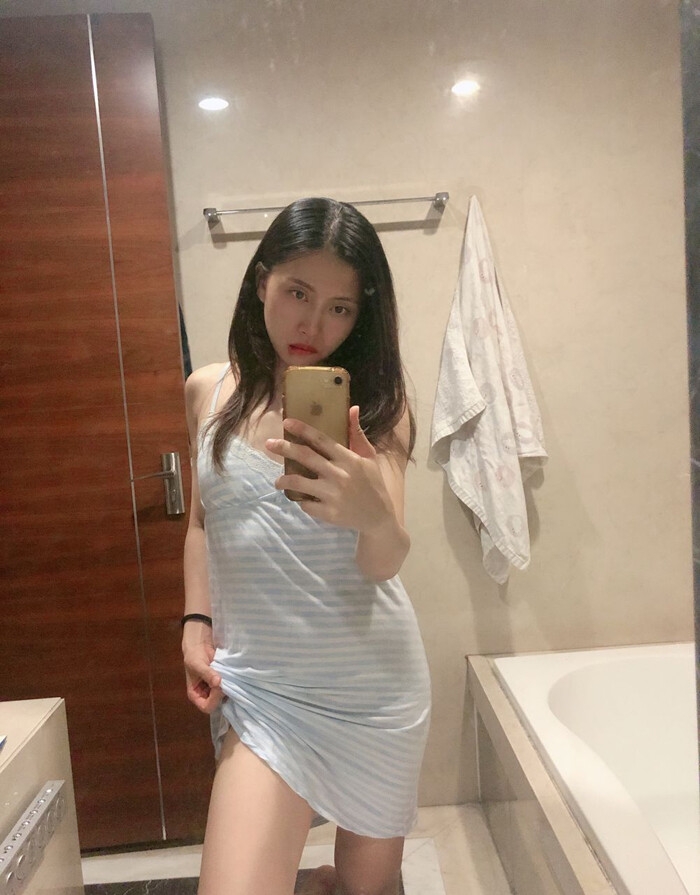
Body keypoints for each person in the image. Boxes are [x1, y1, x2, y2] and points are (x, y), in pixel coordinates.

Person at [182, 197, 431, 895]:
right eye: (298, 292)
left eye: (339, 307)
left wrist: (372, 516)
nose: (312, 325)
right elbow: (201, 522)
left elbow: (385, 562)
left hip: (371, 690)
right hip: (265, 691)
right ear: (262, 279)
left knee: (364, 889)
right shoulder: (207, 391)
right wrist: (196, 621)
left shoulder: (377, 410)